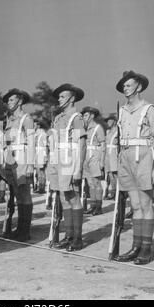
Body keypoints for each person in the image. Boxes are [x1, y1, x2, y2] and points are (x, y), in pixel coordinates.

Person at [113, 71, 154, 265]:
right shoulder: (122, 110)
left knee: (145, 204)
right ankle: (136, 246)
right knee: (134, 206)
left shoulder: (148, 109)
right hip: (126, 157)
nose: (125, 87)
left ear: (139, 87)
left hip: (143, 156)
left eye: (129, 84)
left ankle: (146, 248)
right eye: (123, 85)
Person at [51, 83, 86, 251]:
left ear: (72, 98)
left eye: (63, 96)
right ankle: (69, 235)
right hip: (58, 159)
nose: (59, 99)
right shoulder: (59, 118)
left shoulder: (77, 117)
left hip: (70, 159)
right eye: (59, 97)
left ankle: (78, 239)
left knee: (73, 197)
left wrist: (78, 169)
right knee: (64, 198)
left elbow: (81, 144)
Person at [1, 88, 35, 242]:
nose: (9, 103)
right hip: (10, 159)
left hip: (22, 159)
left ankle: (25, 230)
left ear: (20, 101)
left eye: (12, 100)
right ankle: (19, 229)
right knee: (17, 194)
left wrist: (30, 165)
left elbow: (32, 143)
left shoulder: (26, 119)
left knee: (24, 194)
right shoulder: (10, 119)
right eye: (8, 100)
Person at [81, 106, 105, 216]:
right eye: (83, 115)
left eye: (86, 115)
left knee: (96, 182)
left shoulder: (98, 128)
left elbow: (103, 145)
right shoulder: (84, 128)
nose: (84, 117)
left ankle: (99, 207)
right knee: (90, 183)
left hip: (95, 156)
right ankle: (93, 205)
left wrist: (102, 161)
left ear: (92, 116)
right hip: (85, 156)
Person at [104, 113, 118, 200]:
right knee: (109, 175)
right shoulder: (108, 132)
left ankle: (117, 192)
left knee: (115, 174)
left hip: (114, 154)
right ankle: (112, 192)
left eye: (110, 120)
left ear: (114, 121)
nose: (108, 122)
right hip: (108, 155)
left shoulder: (118, 131)